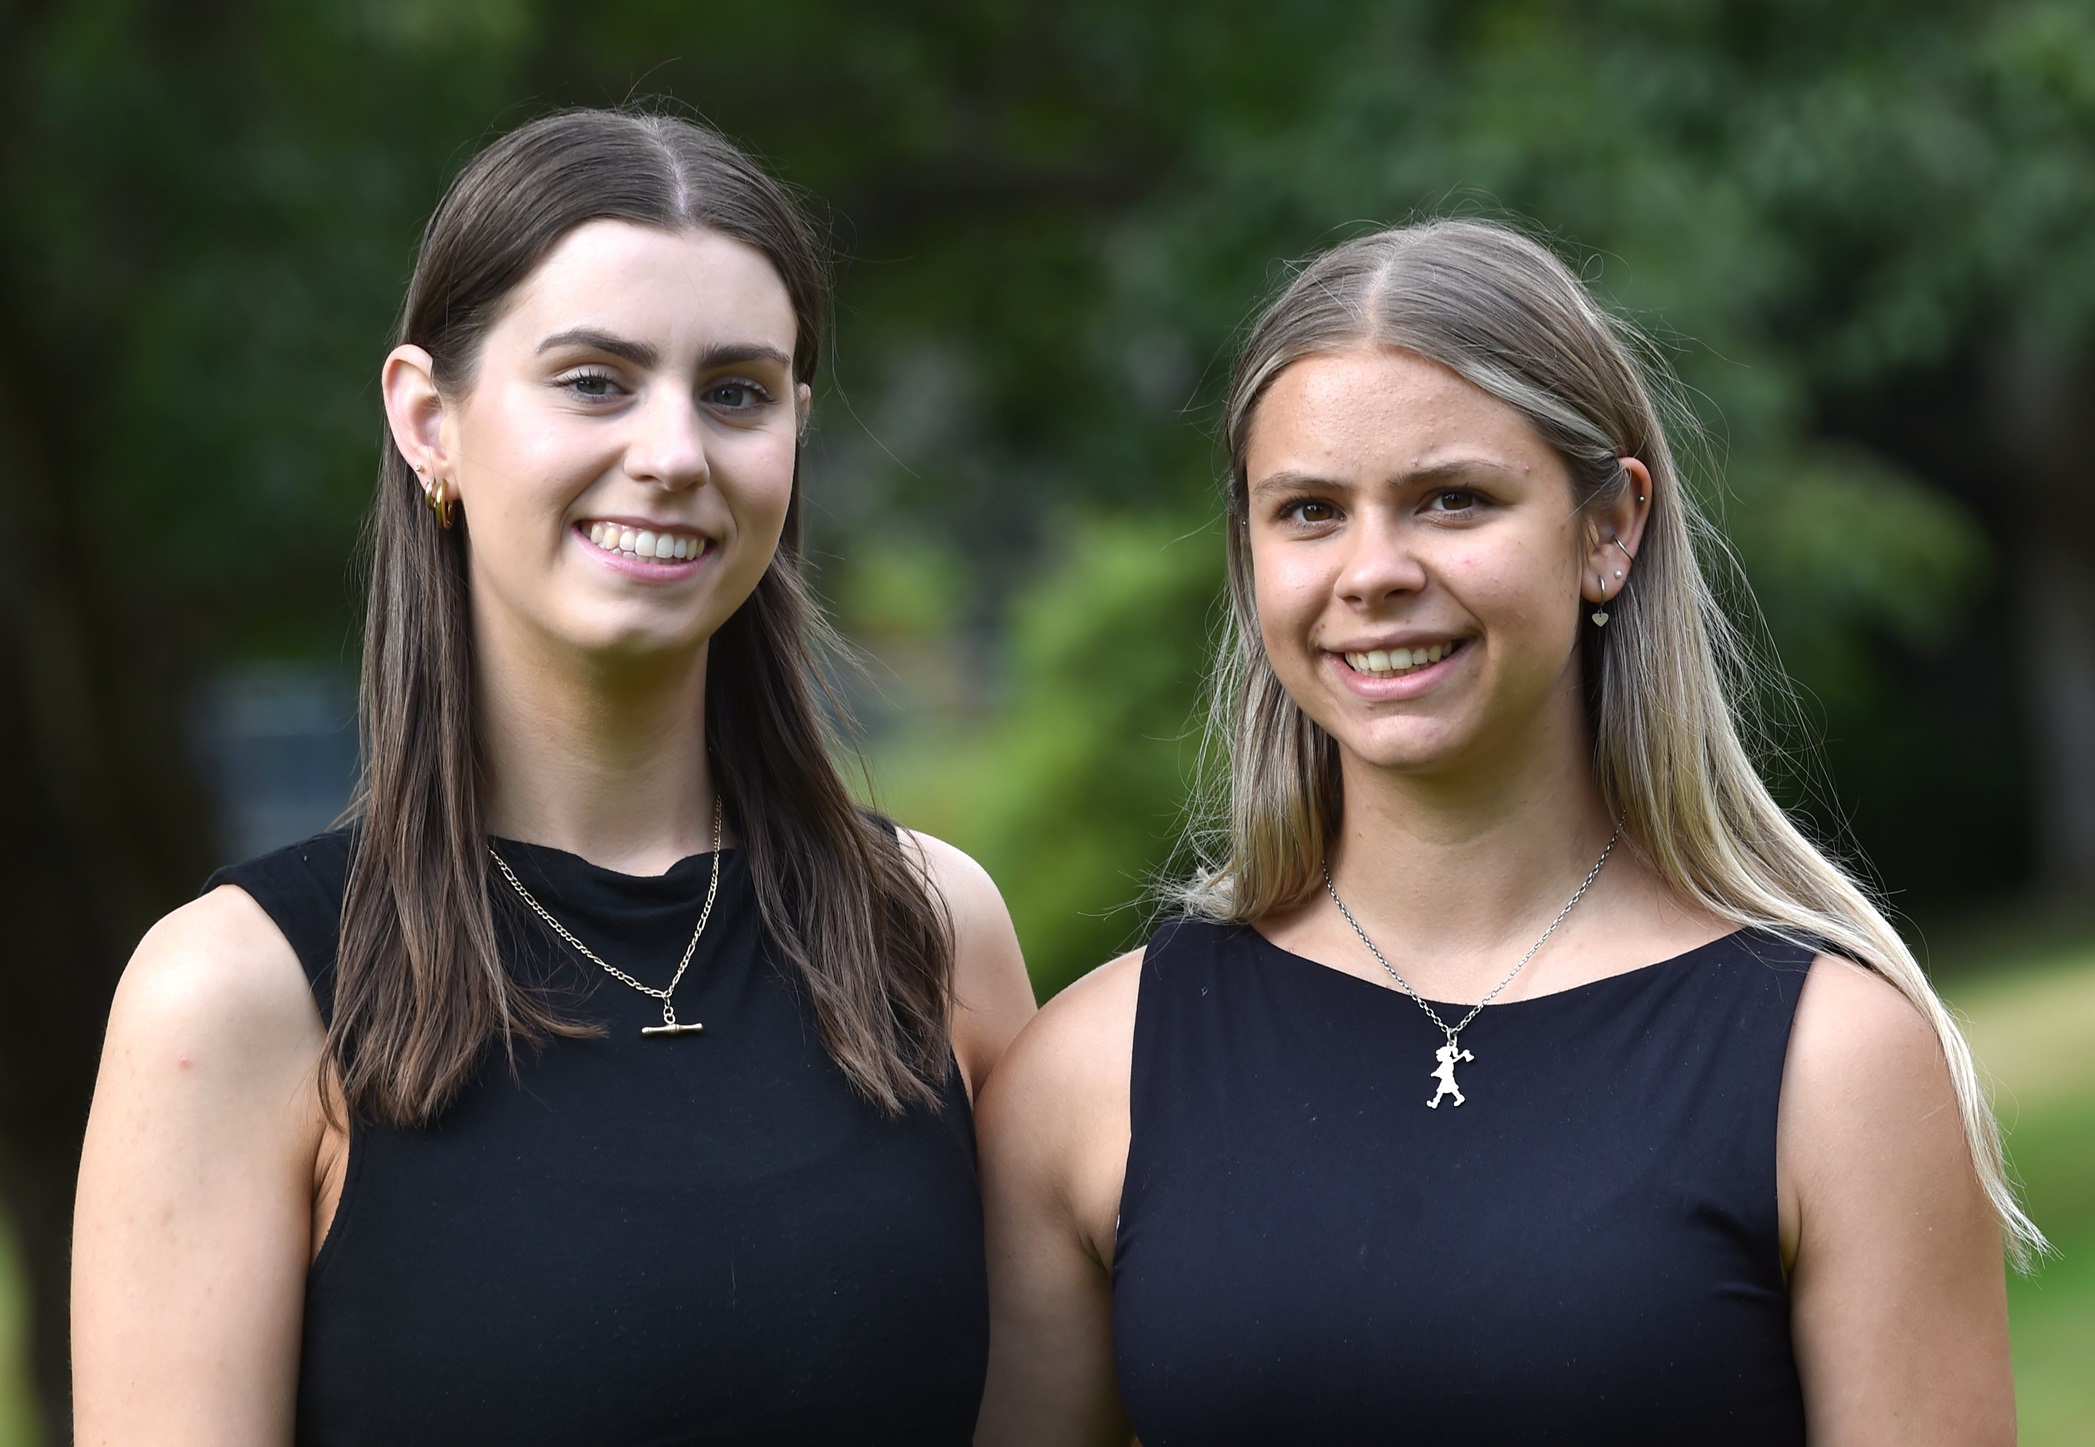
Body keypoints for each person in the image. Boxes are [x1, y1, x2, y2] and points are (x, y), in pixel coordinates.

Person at [973, 218, 2038, 1446]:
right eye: (1310, 512)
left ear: (1608, 530)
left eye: (1452, 499)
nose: (1372, 570)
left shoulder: (1836, 1065)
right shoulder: (1087, 1077)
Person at [71, 108, 1035, 1446]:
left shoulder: (932, 932)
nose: (673, 453)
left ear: (793, 432)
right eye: (593, 379)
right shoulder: (237, 995)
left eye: (737, 392)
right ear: (428, 419)